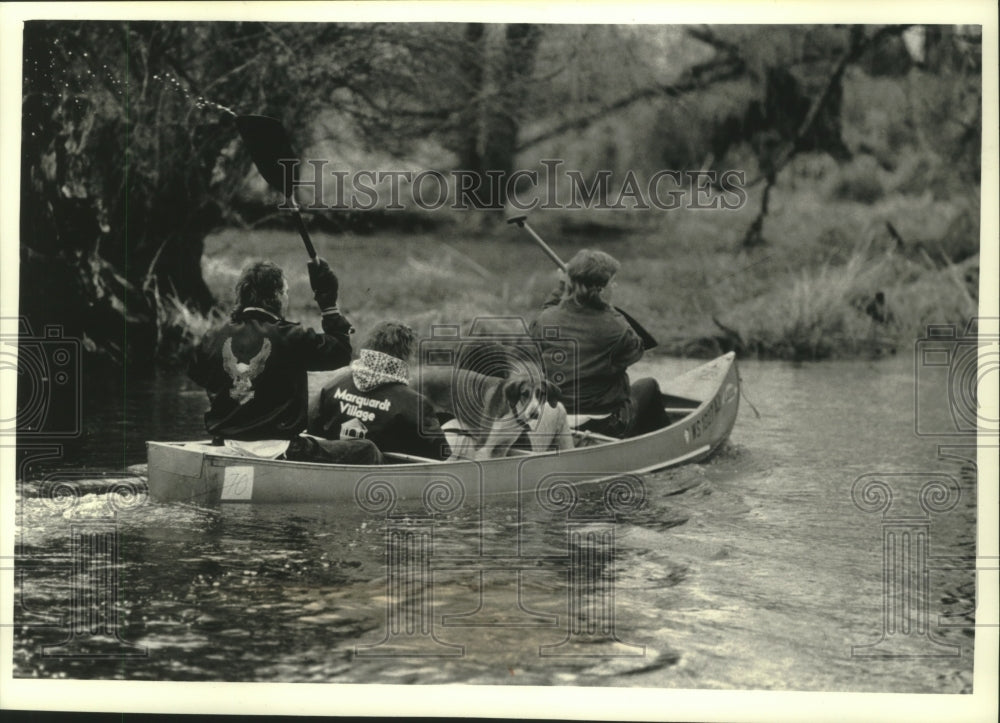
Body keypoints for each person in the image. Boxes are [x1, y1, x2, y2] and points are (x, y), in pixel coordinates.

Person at [189, 257, 381, 464]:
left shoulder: (212, 337)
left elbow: (198, 374)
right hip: (281, 449)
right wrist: (329, 305)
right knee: (366, 449)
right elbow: (341, 352)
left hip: (225, 444)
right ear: (277, 295)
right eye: (286, 292)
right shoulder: (291, 337)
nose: (287, 298)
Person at [530, 248, 668, 438]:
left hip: (555, 416)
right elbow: (636, 350)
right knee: (648, 386)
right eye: (613, 282)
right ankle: (660, 444)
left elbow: (547, 317)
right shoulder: (615, 325)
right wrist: (607, 308)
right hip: (602, 423)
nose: (615, 286)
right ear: (601, 290)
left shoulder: (545, 319)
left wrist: (562, 286)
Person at [310, 321, 451, 461]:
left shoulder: (334, 384)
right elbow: (441, 455)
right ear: (406, 353)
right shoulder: (414, 403)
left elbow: (311, 429)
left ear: (371, 346)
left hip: (330, 467)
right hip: (384, 477)